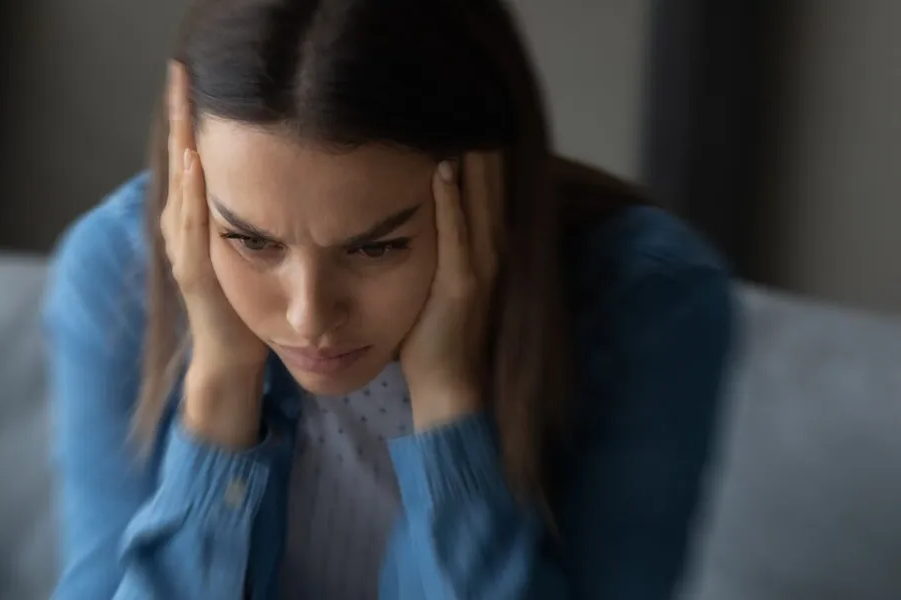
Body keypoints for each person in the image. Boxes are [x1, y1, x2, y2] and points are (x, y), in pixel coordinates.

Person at [45, 0, 735, 598]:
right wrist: (222, 380)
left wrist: (446, 400)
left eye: (377, 248)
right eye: (252, 242)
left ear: (486, 185)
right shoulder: (118, 275)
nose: (308, 316)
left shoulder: (649, 301)